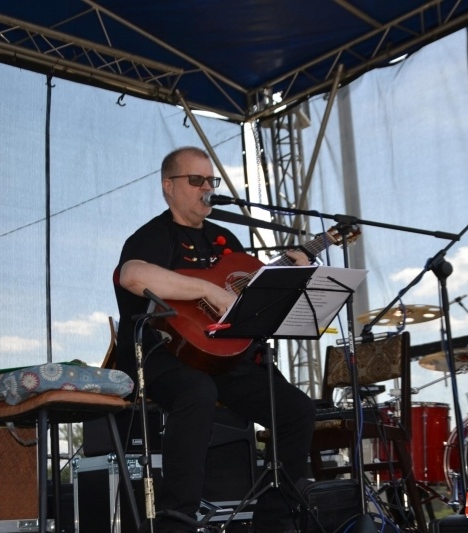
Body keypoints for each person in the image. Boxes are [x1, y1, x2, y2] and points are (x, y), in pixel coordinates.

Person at [113, 146, 316, 533]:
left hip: (222, 357)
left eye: (212, 181)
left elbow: (252, 294)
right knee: (197, 392)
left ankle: (275, 519)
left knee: (296, 410)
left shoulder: (225, 237)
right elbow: (132, 275)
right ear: (168, 186)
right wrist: (208, 293)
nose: (207, 187)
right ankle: (177, 520)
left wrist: (291, 275)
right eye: (196, 180)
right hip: (162, 357)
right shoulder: (153, 235)